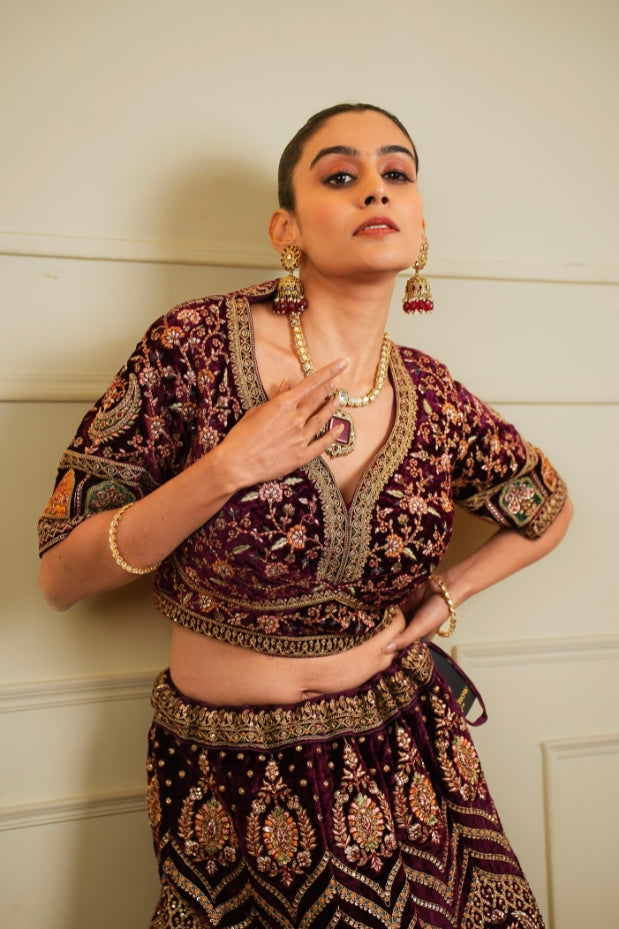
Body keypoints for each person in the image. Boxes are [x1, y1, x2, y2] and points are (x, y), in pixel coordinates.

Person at [38, 103, 572, 929]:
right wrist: (227, 467)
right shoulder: (193, 348)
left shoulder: (431, 394)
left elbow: (548, 507)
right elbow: (61, 575)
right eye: (341, 175)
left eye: (396, 173)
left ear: (420, 225)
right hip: (231, 780)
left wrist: (450, 591)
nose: (375, 190)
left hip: (408, 751)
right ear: (285, 228)